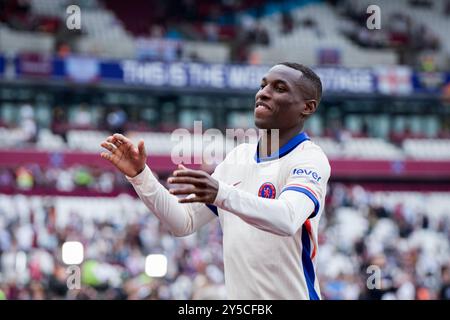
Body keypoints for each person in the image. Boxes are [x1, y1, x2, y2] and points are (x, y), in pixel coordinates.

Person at [100, 62, 330, 299]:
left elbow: (287, 218)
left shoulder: (309, 159)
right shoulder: (238, 158)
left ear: (307, 107)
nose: (263, 92)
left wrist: (222, 193)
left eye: (279, 88)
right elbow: (184, 222)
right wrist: (140, 176)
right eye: (263, 85)